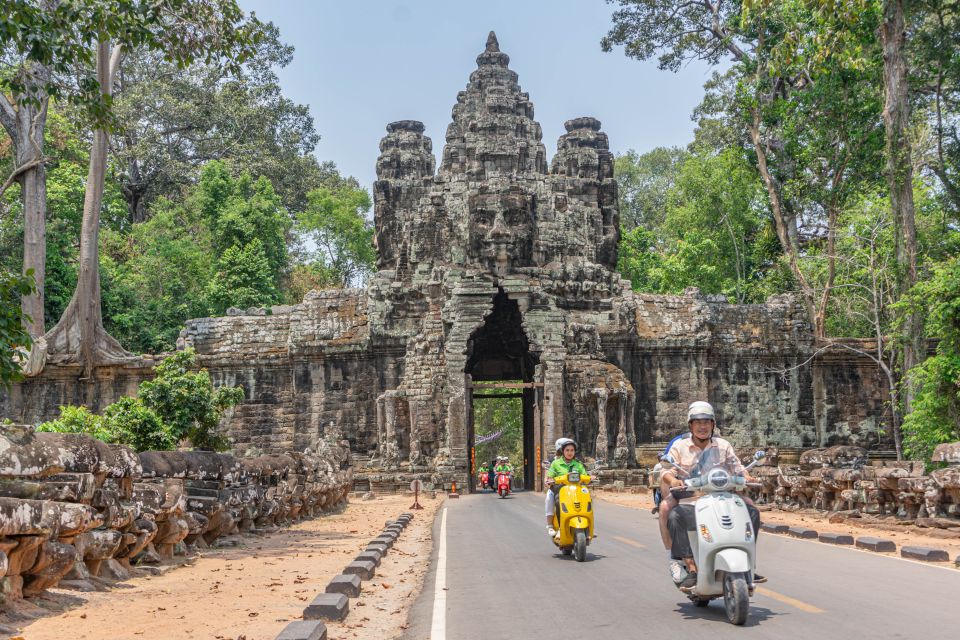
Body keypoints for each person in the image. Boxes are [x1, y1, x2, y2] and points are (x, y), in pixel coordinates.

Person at [661, 401, 765, 589]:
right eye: (698, 422)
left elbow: (737, 467)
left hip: (723, 498)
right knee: (675, 516)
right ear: (690, 426)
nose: (702, 426)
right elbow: (666, 471)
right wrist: (673, 480)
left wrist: (747, 476)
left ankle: (749, 564)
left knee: (752, 511)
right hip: (692, 500)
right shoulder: (680, 446)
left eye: (707, 422)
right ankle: (689, 567)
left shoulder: (723, 445)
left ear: (713, 425)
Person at [544, 438, 588, 538]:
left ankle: (588, 527)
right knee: (555, 500)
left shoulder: (578, 464)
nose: (569, 453)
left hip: (575, 490)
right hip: (559, 489)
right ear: (563, 451)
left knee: (587, 498)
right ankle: (555, 527)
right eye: (567, 450)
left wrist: (590, 477)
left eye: (572, 450)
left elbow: (584, 475)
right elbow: (550, 475)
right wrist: (550, 479)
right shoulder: (556, 463)